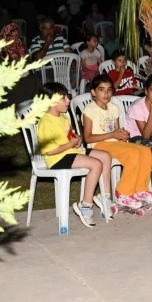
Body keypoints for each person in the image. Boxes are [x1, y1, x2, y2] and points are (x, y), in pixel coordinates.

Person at [36, 82, 114, 227]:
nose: (68, 101)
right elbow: (49, 151)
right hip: (57, 158)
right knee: (95, 164)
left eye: (68, 97)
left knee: (105, 156)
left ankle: (105, 198)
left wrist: (76, 140)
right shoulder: (45, 122)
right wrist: (70, 145)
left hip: (71, 151)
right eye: (63, 98)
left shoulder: (64, 116)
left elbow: (69, 136)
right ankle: (85, 205)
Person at [81, 76, 152, 209]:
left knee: (145, 151)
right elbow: (87, 138)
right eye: (102, 90)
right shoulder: (90, 110)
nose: (106, 93)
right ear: (93, 92)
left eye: (109, 90)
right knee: (132, 154)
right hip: (99, 146)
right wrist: (113, 134)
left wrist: (122, 135)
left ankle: (140, 189)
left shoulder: (114, 108)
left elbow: (116, 131)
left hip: (114, 144)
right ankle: (123, 193)